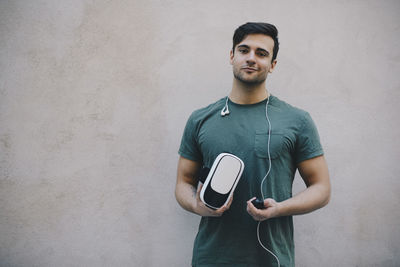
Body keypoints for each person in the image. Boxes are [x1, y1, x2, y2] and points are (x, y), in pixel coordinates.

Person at [175, 22, 331, 267]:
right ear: (231, 55)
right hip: (211, 258)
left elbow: (321, 189)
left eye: (261, 53)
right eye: (244, 50)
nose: (251, 58)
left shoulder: (297, 120)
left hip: (272, 259)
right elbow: (183, 183)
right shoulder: (200, 119)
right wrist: (197, 205)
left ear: (273, 65)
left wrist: (279, 208)